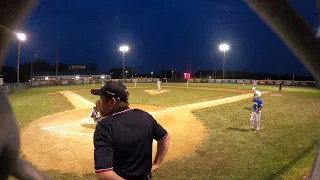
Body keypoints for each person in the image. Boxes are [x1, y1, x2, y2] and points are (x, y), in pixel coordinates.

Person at [91, 81, 170, 180]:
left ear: (112, 102)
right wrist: (156, 163)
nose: (98, 103)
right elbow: (165, 137)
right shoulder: (144, 116)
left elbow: (104, 173)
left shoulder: (104, 127)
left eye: (101, 99)